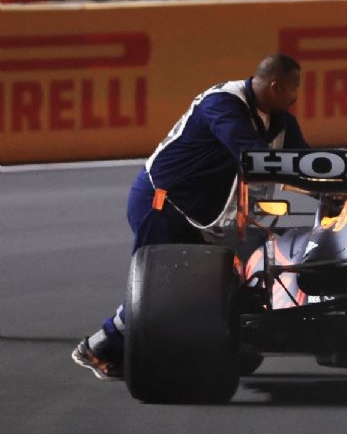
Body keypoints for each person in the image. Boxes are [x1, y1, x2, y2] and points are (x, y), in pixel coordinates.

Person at [71, 54, 308, 380]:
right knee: (161, 288)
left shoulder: (281, 120)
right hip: (163, 202)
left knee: (204, 286)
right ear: (276, 86)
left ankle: (211, 345)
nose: (297, 98)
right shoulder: (223, 104)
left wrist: (340, 187)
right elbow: (251, 156)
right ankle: (99, 345)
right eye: (293, 90)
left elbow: (306, 166)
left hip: (203, 216)